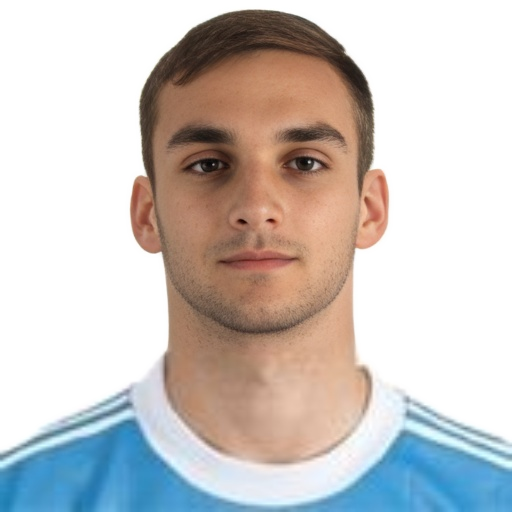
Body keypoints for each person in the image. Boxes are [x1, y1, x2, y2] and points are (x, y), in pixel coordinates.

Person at [0, 9, 510, 510]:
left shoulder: (492, 494)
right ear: (147, 214)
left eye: (305, 162)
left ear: (369, 210)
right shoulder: (23, 496)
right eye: (208, 165)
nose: (256, 206)